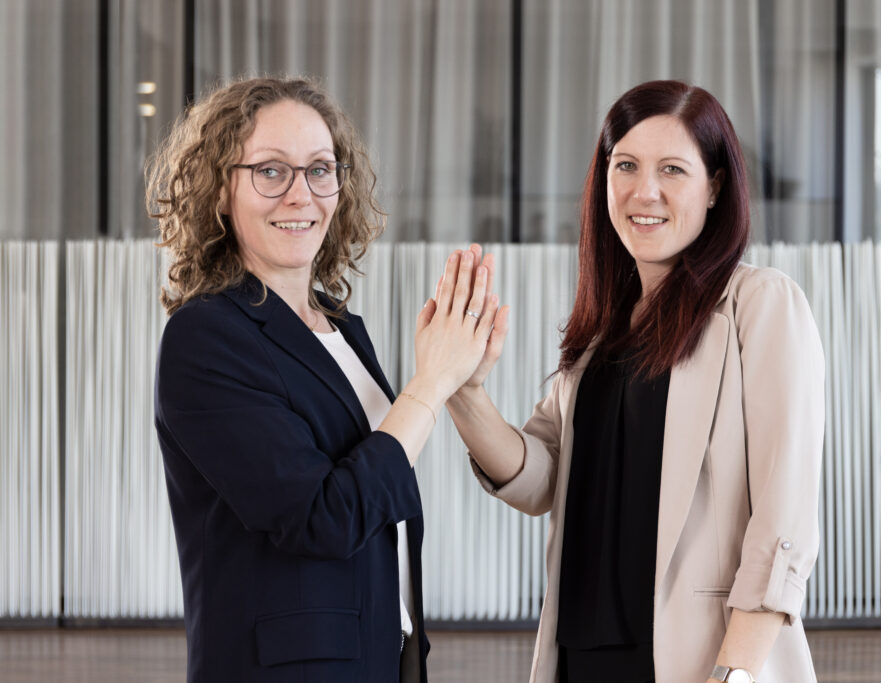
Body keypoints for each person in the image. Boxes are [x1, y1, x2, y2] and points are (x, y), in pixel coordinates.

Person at [443, 80, 825, 683]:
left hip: (701, 662)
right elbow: (540, 477)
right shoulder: (600, 333)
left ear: (715, 187)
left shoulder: (759, 304)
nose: (644, 191)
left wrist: (738, 672)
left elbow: (785, 516)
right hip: (581, 658)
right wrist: (461, 391)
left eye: (673, 169)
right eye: (626, 165)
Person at [147, 76, 500, 682]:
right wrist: (429, 382)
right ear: (220, 192)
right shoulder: (205, 337)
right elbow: (322, 517)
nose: (300, 194)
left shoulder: (340, 326)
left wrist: (459, 381)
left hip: (376, 656)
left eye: (319, 169)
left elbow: (381, 500)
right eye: (270, 171)